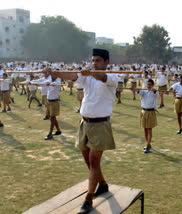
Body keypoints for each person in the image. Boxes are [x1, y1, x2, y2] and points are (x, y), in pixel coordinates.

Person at [54, 49, 118, 214]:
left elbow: (102, 77)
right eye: (93, 60)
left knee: (93, 161)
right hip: (85, 122)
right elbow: (72, 76)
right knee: (88, 161)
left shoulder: (112, 77)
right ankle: (102, 184)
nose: (94, 63)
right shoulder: (87, 76)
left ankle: (89, 198)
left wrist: (91, 73)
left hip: (100, 125)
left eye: (98, 60)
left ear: (106, 62)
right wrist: (53, 72)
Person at [136, 79, 158, 153]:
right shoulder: (144, 91)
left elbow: (156, 93)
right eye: (147, 84)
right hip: (143, 111)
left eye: (150, 84)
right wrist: (136, 90)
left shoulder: (155, 92)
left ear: (152, 85)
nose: (148, 86)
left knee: (149, 129)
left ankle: (148, 145)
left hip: (150, 112)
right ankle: (148, 144)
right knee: (145, 129)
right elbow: (139, 92)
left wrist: (154, 90)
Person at [44, 70, 62, 140]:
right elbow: (42, 81)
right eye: (51, 74)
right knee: (53, 118)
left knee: (52, 118)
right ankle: (58, 131)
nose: (51, 75)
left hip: (54, 102)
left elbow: (55, 84)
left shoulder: (58, 81)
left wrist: (50, 83)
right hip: (49, 101)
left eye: (53, 74)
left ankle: (50, 133)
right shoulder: (49, 79)